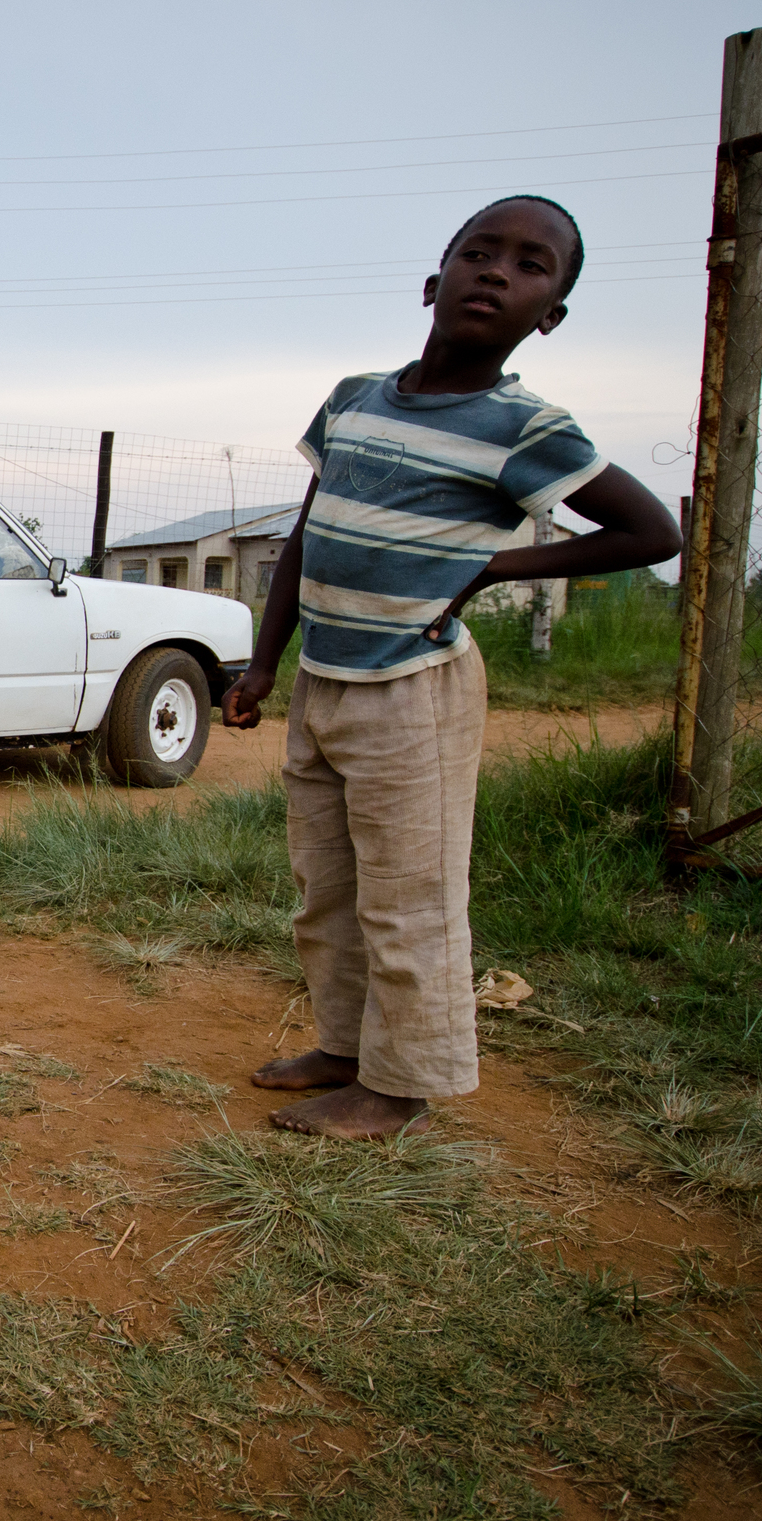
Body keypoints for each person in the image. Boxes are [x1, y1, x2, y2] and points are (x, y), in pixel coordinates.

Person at [219, 196, 681, 1142]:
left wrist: (497, 565)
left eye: (531, 265)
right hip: (325, 684)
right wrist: (266, 664)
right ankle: (347, 1050)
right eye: (479, 252)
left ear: (547, 316)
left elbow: (651, 532)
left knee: (410, 897)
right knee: (330, 889)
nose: (498, 271)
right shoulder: (352, 398)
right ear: (434, 283)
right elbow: (309, 534)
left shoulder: (525, 426)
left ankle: (402, 1086)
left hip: (414, 693)